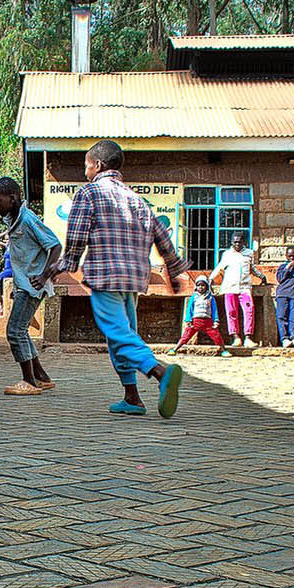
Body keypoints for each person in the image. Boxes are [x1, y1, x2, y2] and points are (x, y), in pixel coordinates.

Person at [54, 140, 188, 418]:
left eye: (86, 165)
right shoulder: (135, 198)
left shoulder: (88, 193)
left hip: (105, 276)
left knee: (117, 333)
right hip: (134, 280)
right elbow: (160, 233)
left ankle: (160, 372)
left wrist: (64, 265)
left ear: (98, 165)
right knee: (123, 336)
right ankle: (132, 398)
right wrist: (172, 269)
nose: (85, 171)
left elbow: (77, 236)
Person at [0, 178, 62, 396]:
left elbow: (55, 246)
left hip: (32, 284)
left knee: (14, 331)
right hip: (24, 284)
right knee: (21, 331)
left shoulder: (28, 219)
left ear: (12, 199)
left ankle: (28, 380)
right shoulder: (14, 220)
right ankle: (40, 377)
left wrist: (44, 274)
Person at [213, 237, 268, 349]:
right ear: (232, 242)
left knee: (249, 310)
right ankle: (236, 337)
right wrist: (210, 278)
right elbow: (220, 267)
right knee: (231, 312)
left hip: (244, 287)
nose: (237, 244)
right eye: (235, 242)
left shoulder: (248, 253)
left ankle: (248, 337)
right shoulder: (227, 254)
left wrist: (261, 276)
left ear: (244, 242)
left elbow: (251, 268)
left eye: (239, 242)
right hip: (230, 287)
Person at [168, 275, 227, 356]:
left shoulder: (210, 298)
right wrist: (188, 320)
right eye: (199, 285)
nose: (201, 287)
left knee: (216, 336)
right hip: (195, 321)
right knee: (186, 336)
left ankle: (224, 350)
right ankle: (175, 349)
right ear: (196, 286)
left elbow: (214, 310)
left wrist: (216, 320)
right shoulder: (194, 297)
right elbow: (190, 309)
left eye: (203, 285)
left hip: (208, 321)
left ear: (207, 286)